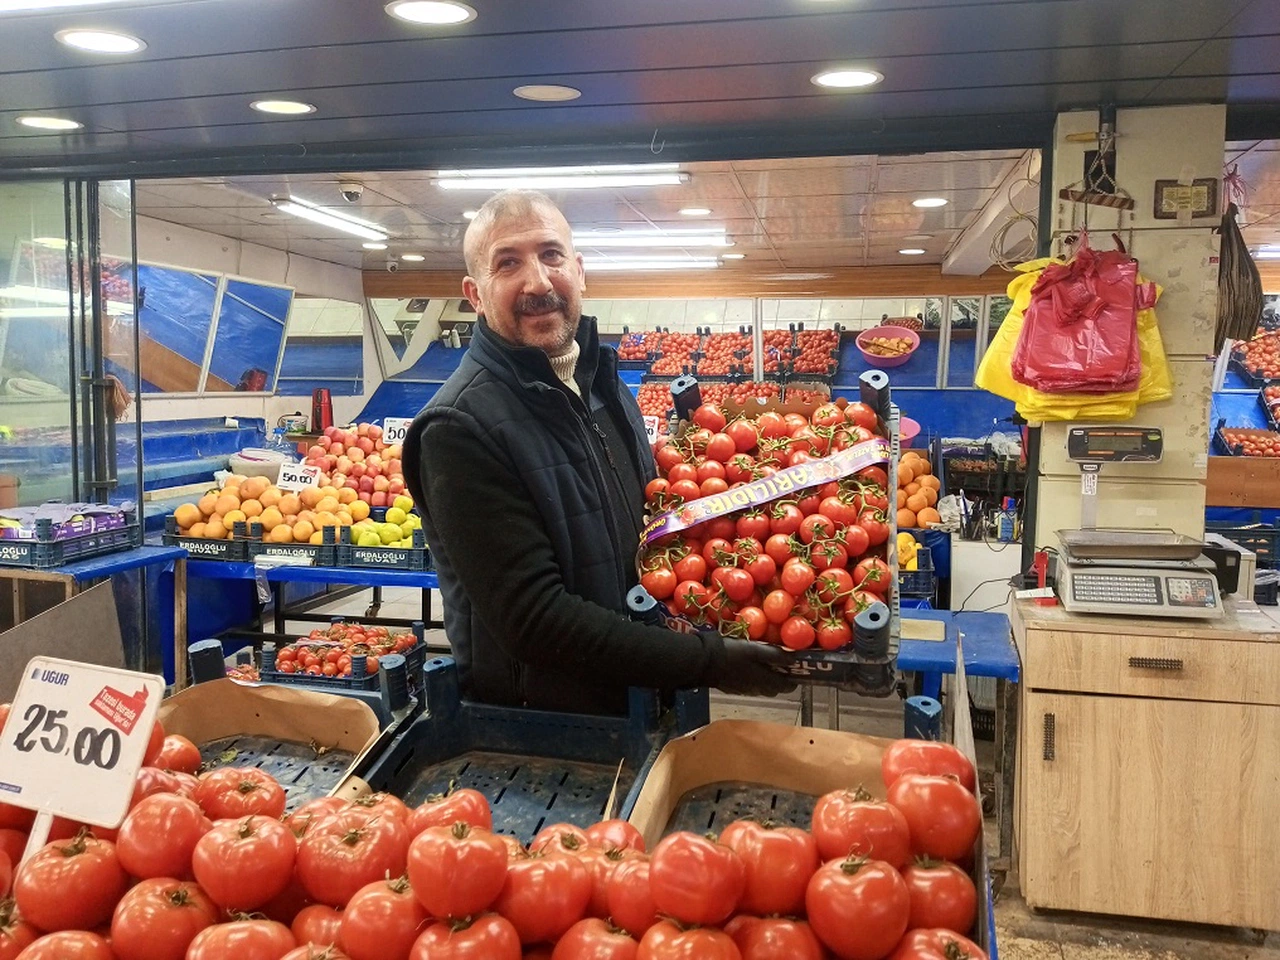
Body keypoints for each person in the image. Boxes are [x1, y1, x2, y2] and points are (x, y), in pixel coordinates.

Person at [403, 190, 795, 715]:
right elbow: (536, 620)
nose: (538, 282)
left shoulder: (604, 386)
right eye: (508, 263)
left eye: (551, 255)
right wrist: (707, 659)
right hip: (544, 725)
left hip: (639, 691)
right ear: (475, 294)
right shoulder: (457, 429)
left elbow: (651, 530)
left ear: (580, 271)